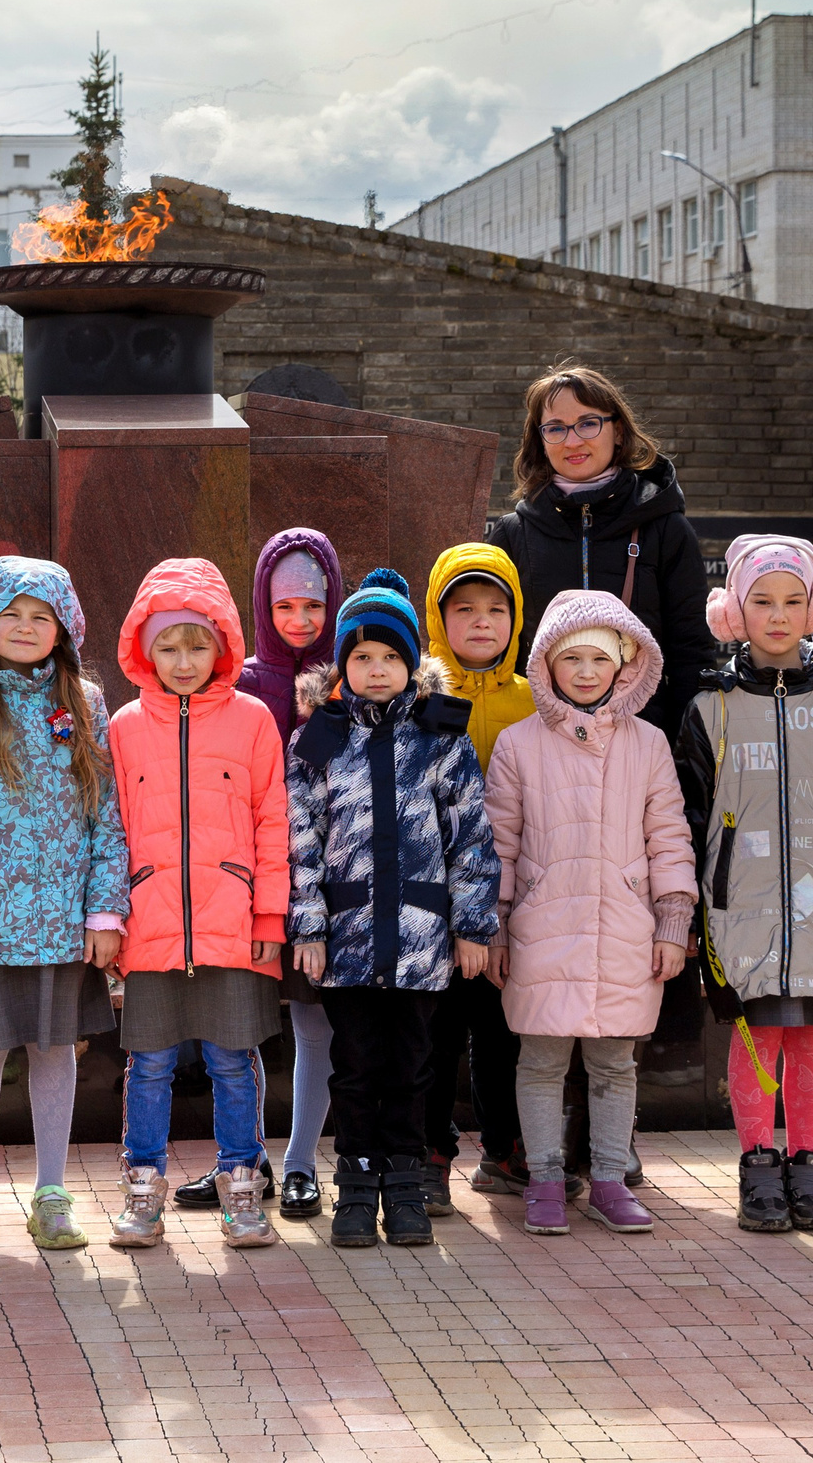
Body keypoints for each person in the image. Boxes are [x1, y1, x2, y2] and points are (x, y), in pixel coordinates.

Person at [674, 536, 813, 1234]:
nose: (777, 614)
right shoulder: (710, 706)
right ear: (735, 609)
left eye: (793, 600)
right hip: (739, 910)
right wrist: (683, 911)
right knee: (755, 1037)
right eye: (761, 600)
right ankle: (757, 1163)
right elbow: (685, 817)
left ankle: (807, 1162)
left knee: (810, 1040)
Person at [286, 568, 498, 1251]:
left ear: (411, 663)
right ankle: (356, 1184)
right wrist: (310, 926)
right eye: (361, 657)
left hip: (420, 937)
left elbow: (471, 837)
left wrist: (471, 925)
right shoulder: (320, 737)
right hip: (346, 941)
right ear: (343, 665)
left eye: (390, 657)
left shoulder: (442, 735)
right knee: (354, 1066)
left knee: (412, 1067)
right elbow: (302, 841)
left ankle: (406, 1184)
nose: (376, 670)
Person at [0, 558, 128, 1255]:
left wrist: (104, 912)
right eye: (12, 613)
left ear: (63, 626)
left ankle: (51, 1192)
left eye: (41, 616)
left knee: (54, 1051)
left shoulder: (87, 704)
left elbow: (106, 813)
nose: (24, 627)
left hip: (63, 922)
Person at [483, 592, 695, 1236]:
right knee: (541, 1062)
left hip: (625, 930)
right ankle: (546, 1180)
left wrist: (671, 923)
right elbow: (500, 844)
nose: (583, 671)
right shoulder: (519, 745)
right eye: (568, 657)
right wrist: (493, 925)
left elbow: (669, 837)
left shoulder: (648, 744)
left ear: (625, 665)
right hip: (541, 928)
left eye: (597, 659)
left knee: (613, 1065)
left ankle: (608, 1178)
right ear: (545, 664)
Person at [104, 558, 291, 1252]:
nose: (183, 660)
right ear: (144, 648)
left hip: (233, 925)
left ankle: (241, 1184)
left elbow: (274, 819)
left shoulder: (252, 721)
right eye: (168, 644)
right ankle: (144, 1189)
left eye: (197, 643)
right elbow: (110, 826)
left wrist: (269, 914)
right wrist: (110, 920)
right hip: (150, 924)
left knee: (230, 1059)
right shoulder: (124, 726)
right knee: (148, 1064)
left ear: (222, 644)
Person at [213, 528, 344, 1222]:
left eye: (314, 606)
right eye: (285, 605)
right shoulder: (241, 683)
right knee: (238, 1024)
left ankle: (299, 1163)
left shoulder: (348, 680)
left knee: (312, 1022)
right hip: (244, 882)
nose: (299, 620)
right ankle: (243, 1157)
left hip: (323, 884)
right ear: (262, 602)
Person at [485, 367, 718, 740]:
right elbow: (500, 656)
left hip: (643, 741)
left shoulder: (665, 528)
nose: (572, 440)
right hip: (540, 743)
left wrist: (685, 748)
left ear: (619, 430)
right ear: (540, 440)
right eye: (556, 428)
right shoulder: (513, 534)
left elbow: (691, 651)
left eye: (588, 423)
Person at [419, 542, 537, 1205]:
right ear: (439, 620)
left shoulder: (533, 698)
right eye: (464, 609)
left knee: (503, 1030)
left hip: (510, 898)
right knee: (435, 1034)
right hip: (434, 902)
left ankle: (505, 1148)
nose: (482, 622)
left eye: (497, 608)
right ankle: (431, 1149)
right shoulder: (423, 698)